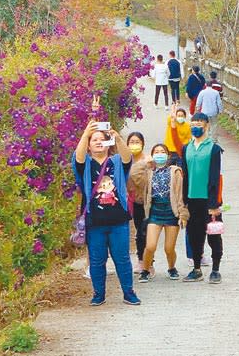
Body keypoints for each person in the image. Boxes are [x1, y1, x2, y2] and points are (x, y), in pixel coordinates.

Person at [73, 120, 141, 307]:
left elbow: (128, 158)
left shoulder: (116, 162)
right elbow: (78, 157)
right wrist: (86, 133)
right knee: (97, 260)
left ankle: (129, 292)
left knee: (122, 258)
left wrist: (118, 138)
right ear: (88, 145)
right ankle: (98, 294)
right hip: (95, 221)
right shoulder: (86, 164)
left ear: (108, 143)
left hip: (118, 220)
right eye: (93, 140)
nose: (97, 142)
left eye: (101, 139)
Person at [181, 112, 223, 283]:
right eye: (193, 124)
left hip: (209, 199)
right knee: (194, 234)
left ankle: (215, 269)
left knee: (214, 234)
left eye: (199, 123)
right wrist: (184, 201)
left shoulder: (214, 148)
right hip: (192, 199)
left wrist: (214, 203)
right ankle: (196, 268)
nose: (196, 126)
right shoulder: (186, 148)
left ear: (206, 125)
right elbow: (185, 175)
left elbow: (215, 177)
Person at [138, 144, 189, 282]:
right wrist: (145, 164)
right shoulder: (149, 171)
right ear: (152, 155)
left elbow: (181, 194)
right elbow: (136, 180)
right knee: (150, 246)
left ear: (168, 155)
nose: (159, 154)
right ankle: (145, 270)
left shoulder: (175, 171)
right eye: (156, 152)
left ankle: (172, 268)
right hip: (155, 213)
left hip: (171, 212)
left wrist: (183, 214)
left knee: (169, 248)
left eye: (162, 152)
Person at [126, 131, 149, 272]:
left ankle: (148, 261)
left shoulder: (148, 161)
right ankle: (141, 260)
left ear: (143, 144)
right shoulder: (125, 161)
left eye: (137, 142)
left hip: (146, 201)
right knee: (139, 230)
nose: (134, 145)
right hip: (133, 201)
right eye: (132, 142)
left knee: (146, 231)